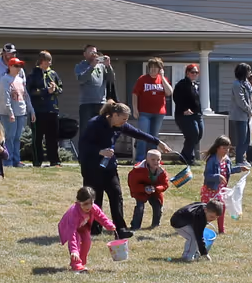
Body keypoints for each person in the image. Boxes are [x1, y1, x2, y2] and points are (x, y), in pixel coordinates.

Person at [79, 102, 162, 239]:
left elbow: (138, 133)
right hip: (91, 166)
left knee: (116, 195)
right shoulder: (95, 124)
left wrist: (158, 142)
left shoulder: (120, 125)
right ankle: (94, 227)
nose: (125, 122)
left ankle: (120, 228)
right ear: (114, 115)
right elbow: (83, 145)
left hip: (109, 167)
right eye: (123, 118)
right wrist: (100, 151)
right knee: (95, 197)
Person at [58, 186, 115, 272]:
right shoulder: (74, 213)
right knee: (76, 240)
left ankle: (81, 262)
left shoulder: (93, 208)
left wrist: (109, 225)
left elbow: (100, 216)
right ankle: (76, 264)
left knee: (87, 241)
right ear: (78, 202)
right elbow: (71, 232)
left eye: (91, 203)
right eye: (85, 204)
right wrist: (74, 250)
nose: (88, 206)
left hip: (82, 226)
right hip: (69, 227)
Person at [26, 53, 65, 166]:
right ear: (41, 61)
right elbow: (30, 91)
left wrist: (55, 88)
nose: (49, 63)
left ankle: (54, 160)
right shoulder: (33, 75)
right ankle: (38, 160)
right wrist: (45, 91)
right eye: (47, 61)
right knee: (37, 137)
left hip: (52, 109)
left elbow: (61, 88)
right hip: (38, 110)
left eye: (50, 61)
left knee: (52, 137)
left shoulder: (53, 74)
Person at [75, 47, 115, 140]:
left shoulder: (101, 66)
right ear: (85, 54)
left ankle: (100, 153)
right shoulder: (80, 66)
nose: (93, 54)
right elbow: (82, 79)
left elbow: (111, 79)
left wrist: (108, 66)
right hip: (86, 104)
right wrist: (92, 66)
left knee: (101, 130)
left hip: (101, 103)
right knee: (86, 131)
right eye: (91, 52)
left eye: (95, 52)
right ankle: (84, 153)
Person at [0, 57, 29, 166]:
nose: (18, 68)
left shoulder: (20, 80)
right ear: (10, 66)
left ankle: (16, 160)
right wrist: (10, 112)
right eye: (16, 66)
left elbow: (25, 95)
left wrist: (31, 110)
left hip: (21, 112)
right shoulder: (4, 79)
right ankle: (8, 160)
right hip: (8, 113)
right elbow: (4, 97)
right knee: (9, 137)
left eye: (20, 66)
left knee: (17, 137)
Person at [127, 147, 169, 230]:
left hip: (155, 191)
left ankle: (155, 224)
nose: (156, 162)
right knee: (140, 207)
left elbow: (165, 184)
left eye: (158, 159)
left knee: (157, 206)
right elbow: (133, 184)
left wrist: (156, 188)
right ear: (147, 160)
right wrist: (144, 189)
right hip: (140, 191)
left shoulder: (161, 171)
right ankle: (135, 226)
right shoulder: (138, 170)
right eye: (153, 159)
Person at [173, 63, 205, 166]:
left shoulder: (195, 85)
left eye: (196, 72)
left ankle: (184, 155)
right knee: (192, 134)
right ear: (187, 73)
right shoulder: (181, 84)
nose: (195, 74)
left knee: (199, 135)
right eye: (192, 72)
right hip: (184, 115)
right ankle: (188, 158)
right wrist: (184, 110)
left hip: (197, 114)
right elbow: (176, 98)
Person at [133, 58, 172, 142]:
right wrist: (135, 109)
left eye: (156, 67)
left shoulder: (163, 79)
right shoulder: (142, 79)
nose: (153, 69)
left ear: (160, 69)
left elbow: (169, 92)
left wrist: (162, 77)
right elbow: (135, 94)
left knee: (154, 137)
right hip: (144, 113)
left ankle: (152, 154)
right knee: (142, 135)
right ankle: (140, 155)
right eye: (151, 67)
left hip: (159, 113)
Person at [202, 135, 234, 233]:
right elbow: (207, 175)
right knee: (207, 210)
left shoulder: (227, 159)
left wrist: (240, 169)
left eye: (228, 148)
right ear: (217, 148)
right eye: (224, 148)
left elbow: (229, 171)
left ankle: (221, 229)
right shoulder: (212, 160)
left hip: (221, 190)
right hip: (211, 189)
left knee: (221, 208)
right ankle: (200, 226)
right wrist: (218, 176)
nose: (226, 150)